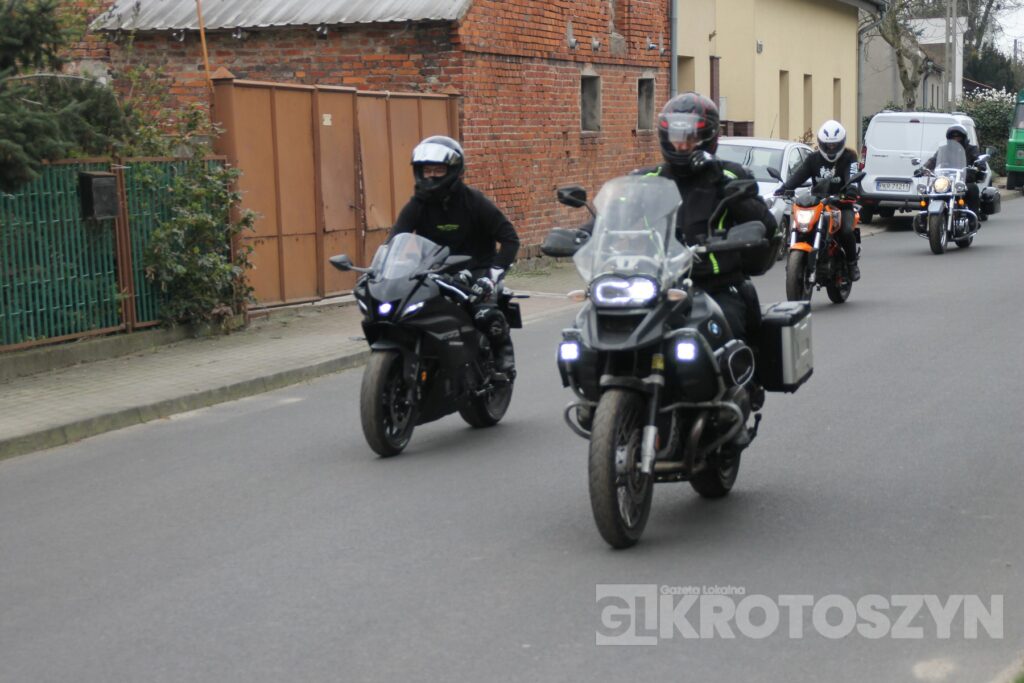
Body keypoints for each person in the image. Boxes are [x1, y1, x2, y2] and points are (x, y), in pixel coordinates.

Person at [638, 92, 778, 343]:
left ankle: (737, 369)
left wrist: (720, 181)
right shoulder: (648, 179)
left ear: (708, 137)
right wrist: (583, 233)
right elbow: (614, 215)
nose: (682, 145)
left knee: (727, 336)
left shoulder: (729, 175)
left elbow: (766, 225)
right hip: (656, 287)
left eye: (690, 138)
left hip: (717, 286)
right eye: (676, 137)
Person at [389, 135, 520, 373]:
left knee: (486, 315)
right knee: (403, 314)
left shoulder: (475, 202)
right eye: (427, 170)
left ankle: (504, 357)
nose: (431, 176)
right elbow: (395, 239)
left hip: (477, 272)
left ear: (453, 171)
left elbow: (510, 239)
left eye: (438, 170)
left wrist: (491, 277)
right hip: (434, 273)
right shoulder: (418, 204)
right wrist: (382, 269)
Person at [775, 119, 861, 281]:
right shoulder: (813, 159)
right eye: (828, 145)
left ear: (841, 143)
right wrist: (784, 188)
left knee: (846, 231)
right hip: (818, 202)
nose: (831, 148)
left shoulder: (849, 157)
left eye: (835, 145)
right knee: (802, 227)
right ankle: (799, 262)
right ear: (821, 143)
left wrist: (851, 190)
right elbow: (799, 175)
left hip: (842, 203)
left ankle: (852, 264)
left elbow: (852, 176)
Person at [918, 124, 988, 222]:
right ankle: (923, 218)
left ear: (963, 138)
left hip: (964, 180)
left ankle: (973, 219)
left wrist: (979, 165)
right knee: (927, 191)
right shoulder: (944, 149)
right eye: (953, 137)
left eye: (958, 137)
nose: (956, 139)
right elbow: (934, 160)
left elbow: (977, 158)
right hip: (946, 180)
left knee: (973, 189)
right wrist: (924, 168)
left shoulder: (971, 149)